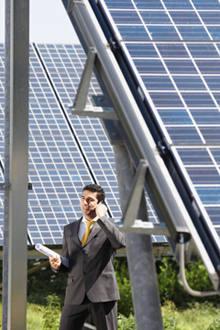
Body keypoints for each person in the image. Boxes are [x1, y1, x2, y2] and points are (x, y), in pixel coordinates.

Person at [49, 183, 125, 330]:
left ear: (99, 204)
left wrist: (103, 218)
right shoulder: (69, 229)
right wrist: (57, 266)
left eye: (90, 200)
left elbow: (120, 243)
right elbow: (69, 262)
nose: (85, 203)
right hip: (75, 294)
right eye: (83, 198)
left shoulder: (111, 226)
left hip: (103, 294)